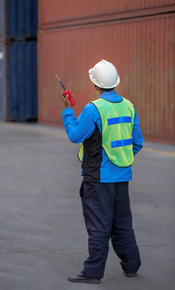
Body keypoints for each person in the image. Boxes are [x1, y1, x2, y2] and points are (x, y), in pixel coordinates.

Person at [60, 60, 143, 284]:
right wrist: (121, 160)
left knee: (99, 225)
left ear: (95, 84)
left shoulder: (93, 109)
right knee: (122, 223)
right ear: (115, 82)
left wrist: (68, 110)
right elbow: (137, 143)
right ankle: (132, 265)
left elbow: (75, 135)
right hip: (122, 176)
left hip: (98, 178)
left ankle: (93, 272)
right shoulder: (128, 106)